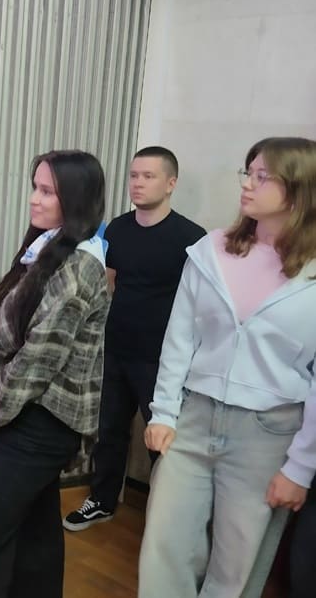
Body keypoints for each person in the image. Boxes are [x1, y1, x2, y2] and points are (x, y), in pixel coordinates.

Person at [138, 136, 316, 597]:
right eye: (248, 172)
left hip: (269, 432)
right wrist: (163, 412)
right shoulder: (212, 249)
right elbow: (180, 336)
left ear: (299, 188)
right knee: (164, 546)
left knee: (237, 563)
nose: (247, 184)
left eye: (263, 176)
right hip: (194, 418)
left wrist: (301, 467)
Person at [0, 150, 108, 598]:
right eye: (35, 187)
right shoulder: (49, 253)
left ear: (75, 199)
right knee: (35, 543)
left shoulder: (79, 267)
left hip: (42, 423)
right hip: (32, 417)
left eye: (47, 191)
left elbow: (39, 359)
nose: (34, 199)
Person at [63, 146, 205, 531]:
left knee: (162, 440)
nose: (137, 183)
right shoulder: (118, 229)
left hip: (162, 359)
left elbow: (198, 307)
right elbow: (107, 285)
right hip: (116, 350)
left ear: (171, 183)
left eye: (148, 176)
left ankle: (166, 518)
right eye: (133, 175)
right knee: (108, 431)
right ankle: (102, 500)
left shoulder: (192, 238)